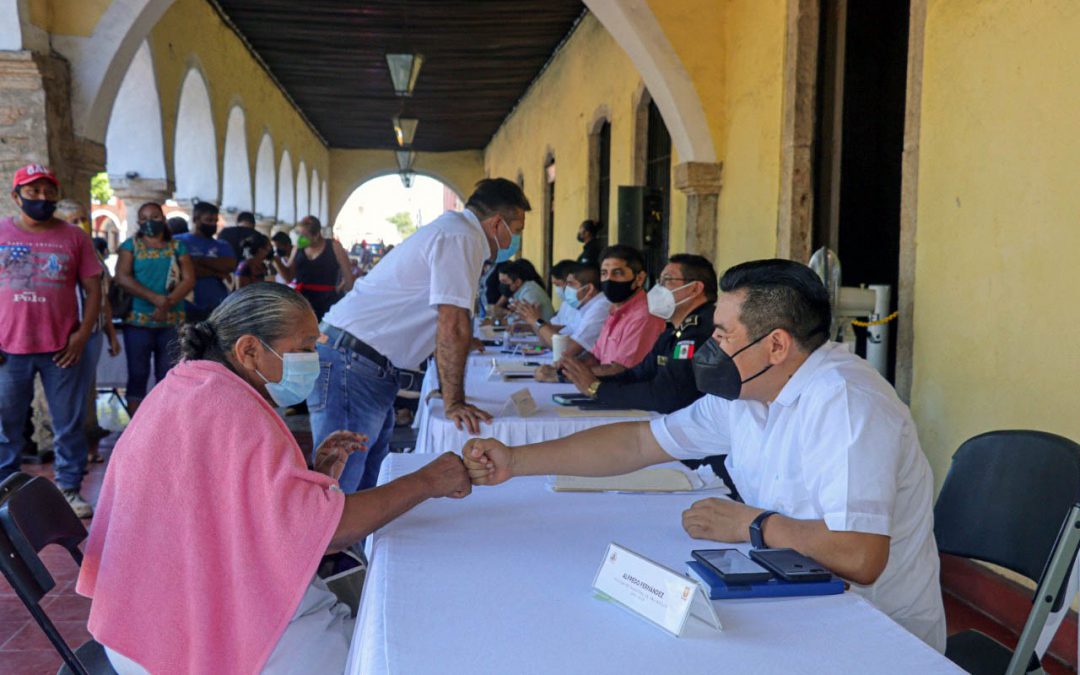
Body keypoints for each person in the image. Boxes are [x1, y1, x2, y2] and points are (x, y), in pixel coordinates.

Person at [464, 258, 946, 652]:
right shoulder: (748, 393)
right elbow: (639, 442)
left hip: (871, 636)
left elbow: (859, 556)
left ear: (775, 344)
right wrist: (517, 460)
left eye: (722, 334)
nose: (709, 347)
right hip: (789, 597)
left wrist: (750, 525)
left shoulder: (845, 403)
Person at [77, 283, 472, 674]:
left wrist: (312, 480)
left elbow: (224, 506)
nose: (313, 360)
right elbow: (333, 533)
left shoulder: (189, 385)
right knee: (385, 652)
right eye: (302, 348)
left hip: (136, 625)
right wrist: (428, 481)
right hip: (182, 638)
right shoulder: (231, 408)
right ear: (249, 350)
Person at [313, 178, 530, 493]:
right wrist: (454, 401)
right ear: (497, 223)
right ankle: (330, 543)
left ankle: (352, 543)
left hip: (362, 362)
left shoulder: (457, 232)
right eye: (517, 228)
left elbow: (445, 320)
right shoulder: (461, 236)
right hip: (353, 362)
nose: (516, 239)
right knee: (341, 484)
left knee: (365, 480)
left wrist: (461, 350)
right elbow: (452, 322)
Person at [0, 164, 102, 517]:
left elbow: (93, 289)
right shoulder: (1, 232)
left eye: (48, 191)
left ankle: (70, 488)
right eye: (33, 191)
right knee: (6, 423)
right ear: (17, 197)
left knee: (67, 422)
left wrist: (82, 335)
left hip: (62, 348)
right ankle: (6, 492)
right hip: (8, 349)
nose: (42, 198)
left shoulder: (74, 237)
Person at [557, 254, 717, 413]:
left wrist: (597, 389)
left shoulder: (701, 330)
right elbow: (639, 374)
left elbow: (665, 395)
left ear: (695, 289)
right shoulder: (673, 331)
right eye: (659, 282)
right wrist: (588, 380)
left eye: (667, 280)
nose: (659, 288)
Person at [114, 202, 195, 416]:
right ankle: (136, 428)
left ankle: (164, 421)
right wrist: (155, 298)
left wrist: (167, 301)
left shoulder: (177, 247)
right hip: (138, 321)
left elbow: (189, 279)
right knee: (138, 374)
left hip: (171, 320)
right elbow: (122, 277)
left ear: (163, 218)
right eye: (145, 217)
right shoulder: (130, 246)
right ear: (139, 222)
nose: (151, 222)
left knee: (169, 374)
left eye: (156, 216)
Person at [55, 200, 120, 450]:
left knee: (82, 393)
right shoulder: (56, 251)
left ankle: (79, 453)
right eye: (73, 220)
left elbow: (102, 298)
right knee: (65, 398)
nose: (81, 224)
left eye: (83, 219)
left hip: (92, 334)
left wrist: (111, 334)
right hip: (66, 334)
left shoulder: (92, 252)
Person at [278, 216, 353, 321]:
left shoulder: (334, 247)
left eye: (303, 235)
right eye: (298, 234)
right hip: (302, 300)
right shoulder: (297, 249)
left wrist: (340, 291)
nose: (300, 239)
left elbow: (348, 276)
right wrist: (274, 260)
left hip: (328, 301)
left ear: (316, 235)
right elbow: (289, 277)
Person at [530, 263, 610, 361]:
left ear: (589, 289)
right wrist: (533, 320)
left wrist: (537, 321)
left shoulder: (601, 307)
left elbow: (566, 350)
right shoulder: (584, 307)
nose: (566, 289)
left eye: (571, 284)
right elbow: (552, 342)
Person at [175, 202, 235, 322]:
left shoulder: (222, 244)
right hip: (185, 304)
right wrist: (215, 271)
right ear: (195, 219)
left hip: (217, 304)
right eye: (209, 220)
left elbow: (229, 264)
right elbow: (179, 269)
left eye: (215, 220)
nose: (213, 224)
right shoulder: (177, 241)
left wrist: (196, 261)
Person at [514, 258, 577, 338]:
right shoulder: (565, 304)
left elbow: (564, 334)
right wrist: (528, 327)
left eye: (558, 285)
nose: (557, 289)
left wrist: (535, 321)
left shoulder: (581, 306)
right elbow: (552, 327)